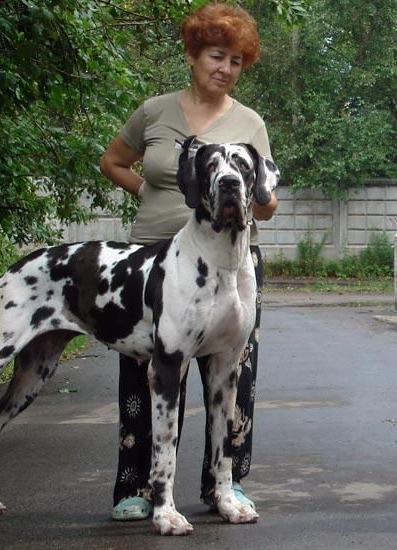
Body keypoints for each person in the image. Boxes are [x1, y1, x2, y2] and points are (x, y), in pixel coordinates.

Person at [99, 2, 278, 521]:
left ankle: (227, 483)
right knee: (145, 375)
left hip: (229, 262)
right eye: (217, 56)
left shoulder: (249, 123)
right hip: (150, 261)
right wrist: (149, 191)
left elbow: (265, 197)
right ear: (193, 55)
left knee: (234, 375)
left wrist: (254, 199)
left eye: (236, 61)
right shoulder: (154, 112)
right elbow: (112, 161)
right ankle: (137, 487)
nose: (226, 68)